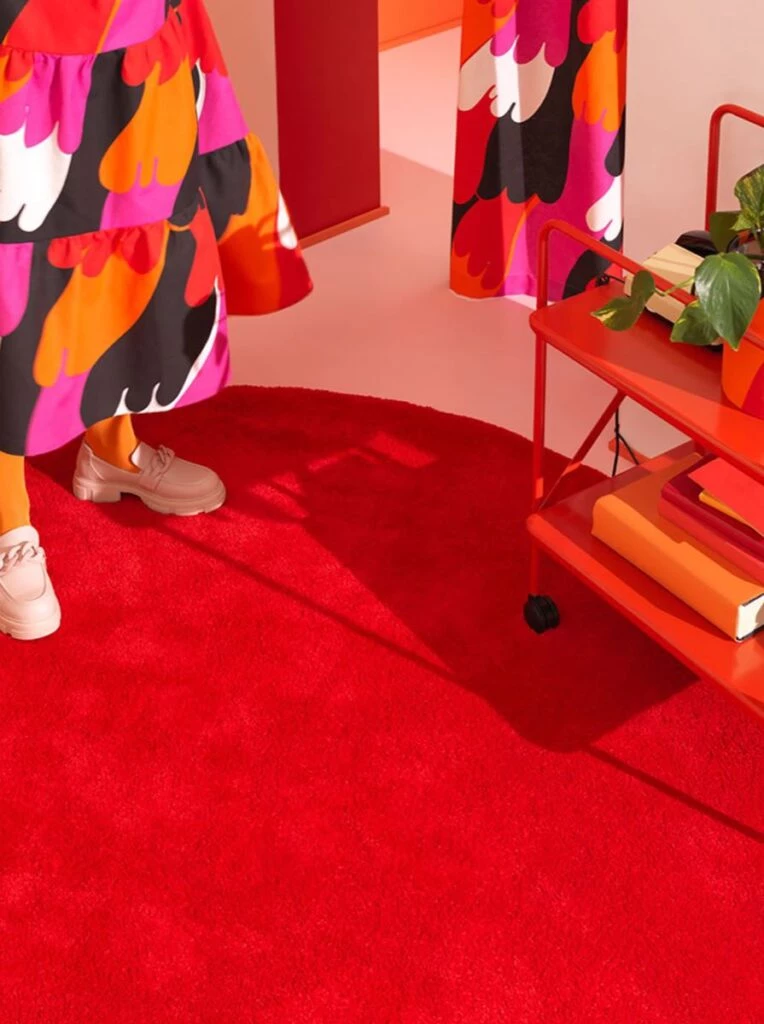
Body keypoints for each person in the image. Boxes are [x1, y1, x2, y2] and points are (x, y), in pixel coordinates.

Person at [0, 0, 312, 640]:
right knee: (14, 255)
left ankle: (110, 450)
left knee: (128, 230)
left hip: (133, 24)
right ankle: (6, 516)